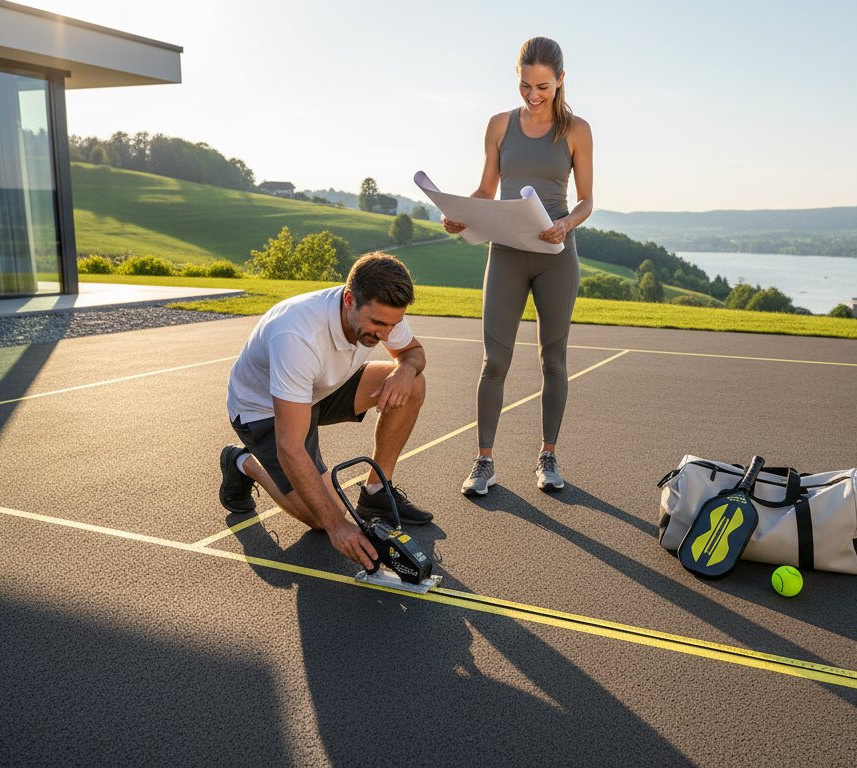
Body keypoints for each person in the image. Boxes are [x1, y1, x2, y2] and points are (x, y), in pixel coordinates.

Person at [443, 36, 594, 497]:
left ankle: (548, 455)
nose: (533, 95)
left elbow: (587, 201)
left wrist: (566, 223)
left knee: (553, 360)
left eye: (543, 86)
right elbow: (487, 189)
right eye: (525, 85)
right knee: (495, 360)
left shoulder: (576, 130)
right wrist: (461, 214)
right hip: (506, 250)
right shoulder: (498, 125)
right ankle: (484, 461)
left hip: (555, 256)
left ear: (561, 81)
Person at [219, 253, 432, 571]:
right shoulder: (297, 335)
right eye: (378, 325)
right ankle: (244, 461)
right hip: (263, 409)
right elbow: (290, 446)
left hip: (321, 388)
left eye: (394, 324)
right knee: (323, 517)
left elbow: (412, 352)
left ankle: (376, 491)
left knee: (413, 383)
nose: (387, 335)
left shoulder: (382, 310)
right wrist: (336, 525)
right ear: (349, 300)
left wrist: (406, 368)